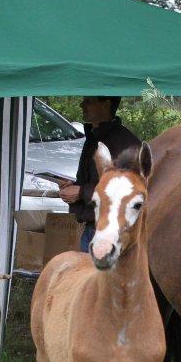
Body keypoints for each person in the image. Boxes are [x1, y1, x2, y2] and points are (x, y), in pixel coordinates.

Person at [59, 96, 141, 251]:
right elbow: (96, 181)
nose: (81, 104)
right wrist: (73, 188)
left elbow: (124, 189)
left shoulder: (124, 144)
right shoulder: (93, 138)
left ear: (106, 105)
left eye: (89, 101)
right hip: (92, 229)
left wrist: (82, 192)